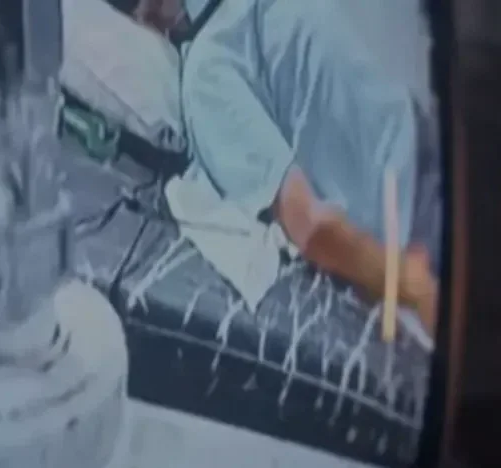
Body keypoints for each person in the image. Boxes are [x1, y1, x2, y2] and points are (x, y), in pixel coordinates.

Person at [105, 0, 441, 332]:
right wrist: (411, 288)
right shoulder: (208, 75)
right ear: (143, 15)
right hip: (414, 211)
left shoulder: (219, 53)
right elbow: (305, 223)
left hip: (427, 148)